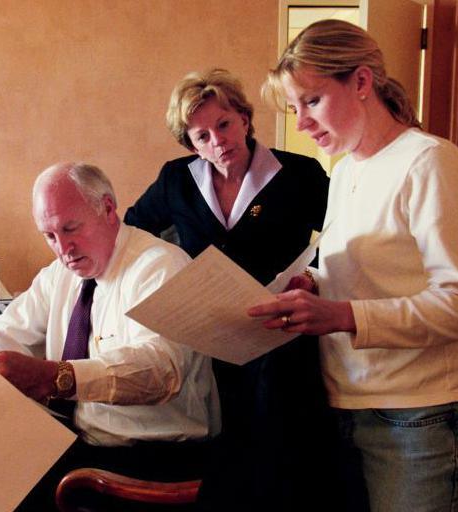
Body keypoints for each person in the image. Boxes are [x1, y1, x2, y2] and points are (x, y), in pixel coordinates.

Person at [250, 19, 458, 511]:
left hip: (418, 415)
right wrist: (311, 283)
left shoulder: (429, 163)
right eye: (294, 109)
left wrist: (341, 316)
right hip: (346, 401)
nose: (302, 123)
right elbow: (371, 269)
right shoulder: (346, 171)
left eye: (312, 101)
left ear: (361, 82)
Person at [124, 69, 339, 511]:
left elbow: (344, 234)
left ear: (244, 117)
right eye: (201, 136)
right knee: (220, 439)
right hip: (210, 333)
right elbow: (133, 233)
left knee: (279, 443)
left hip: (281, 331)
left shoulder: (299, 173)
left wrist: (312, 277)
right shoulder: (176, 179)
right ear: (190, 143)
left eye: (224, 125)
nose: (217, 141)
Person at [0, 162, 219, 509]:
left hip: (155, 456)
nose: (63, 247)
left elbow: (159, 371)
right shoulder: (59, 274)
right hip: (78, 439)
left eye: (71, 228)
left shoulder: (159, 266)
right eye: (50, 236)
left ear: (108, 209)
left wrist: (55, 377)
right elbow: (5, 330)